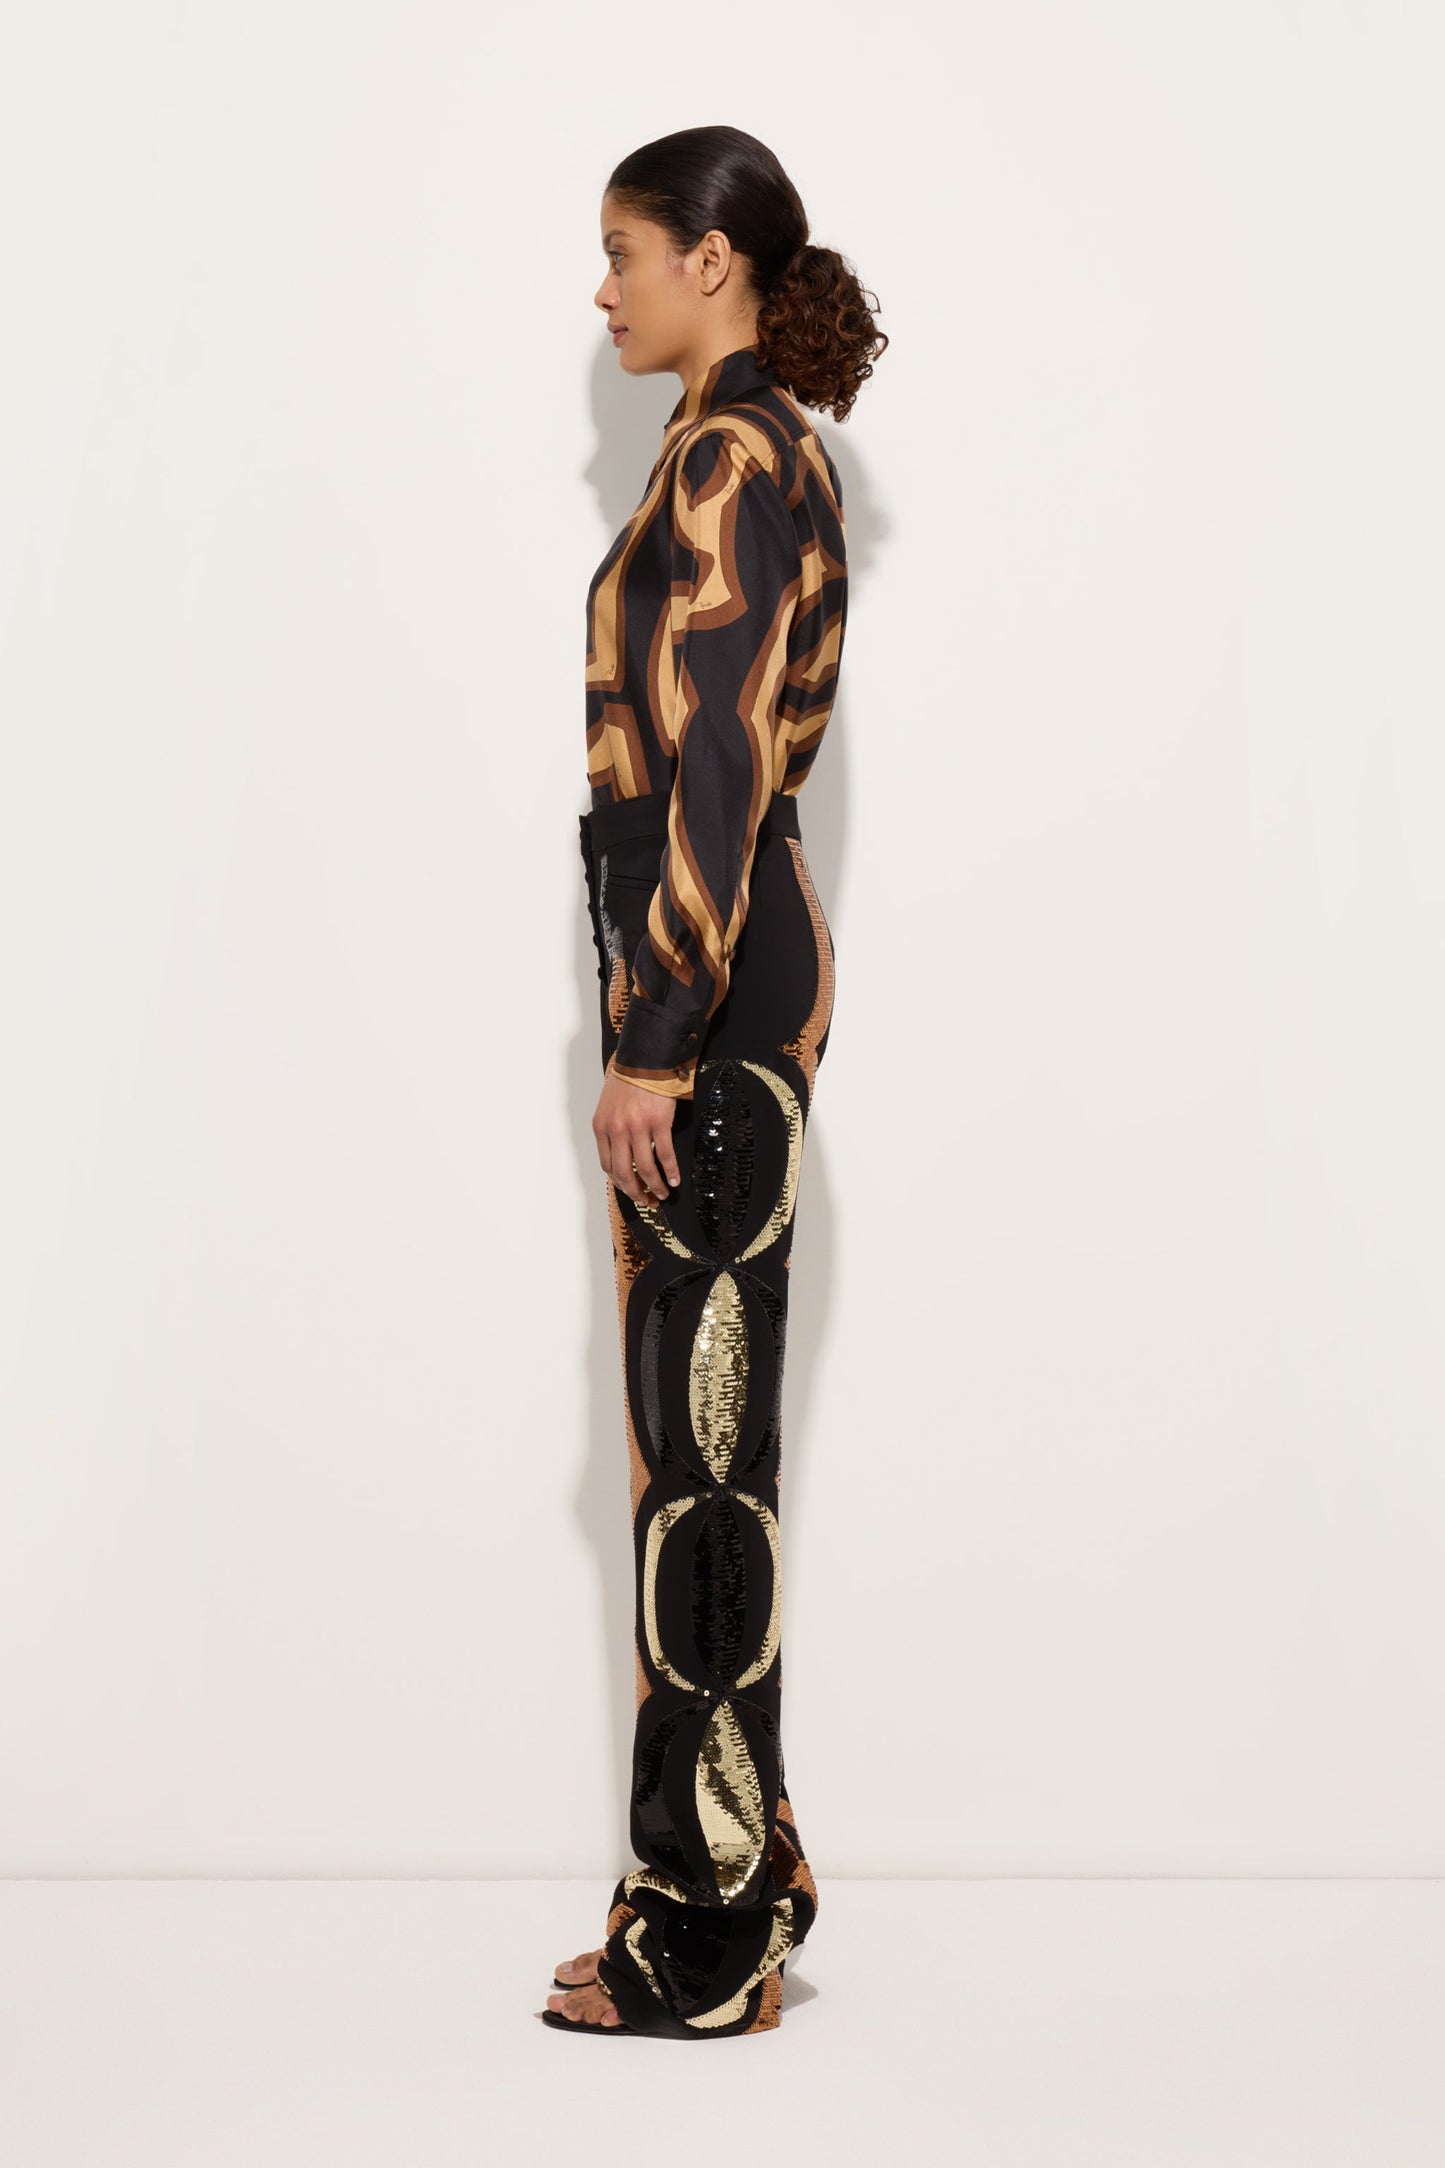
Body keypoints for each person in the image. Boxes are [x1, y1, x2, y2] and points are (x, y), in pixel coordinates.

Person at [544, 124, 886, 2040]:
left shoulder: (737, 457)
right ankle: (732, 1875)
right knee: (700, 1452)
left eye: (623, 251)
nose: (602, 289)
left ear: (713, 262)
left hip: (715, 990)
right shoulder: (729, 448)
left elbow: (721, 765)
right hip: (718, 979)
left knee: (700, 1474)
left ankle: (705, 1937)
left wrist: (652, 1037)